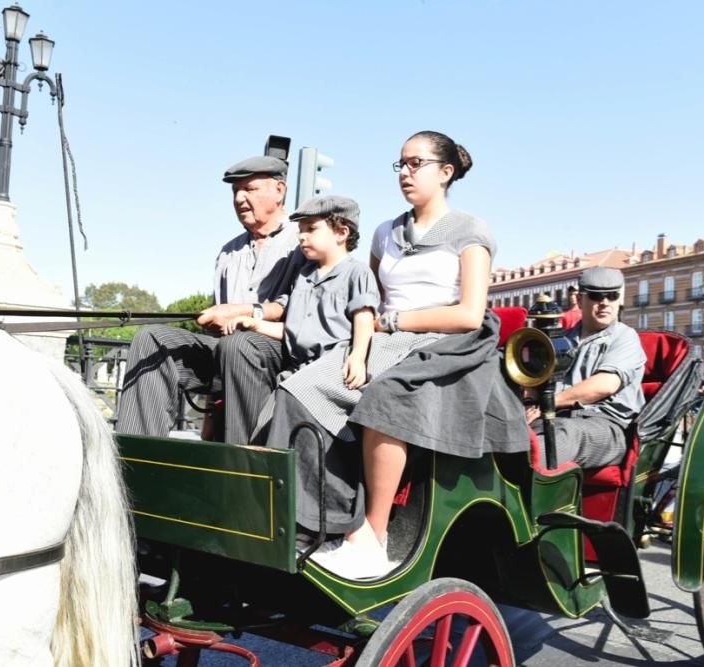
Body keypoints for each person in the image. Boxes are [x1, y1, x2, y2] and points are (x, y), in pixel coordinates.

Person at [268, 131, 528, 578]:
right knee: (298, 388)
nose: (405, 173)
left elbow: (468, 313)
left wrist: (397, 323)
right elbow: (367, 300)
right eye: (401, 164)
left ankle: (374, 535)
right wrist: (357, 345)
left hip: (447, 343)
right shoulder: (386, 232)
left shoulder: (471, 230)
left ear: (445, 173)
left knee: (385, 398)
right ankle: (316, 520)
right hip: (386, 336)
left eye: (416, 164)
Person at [117, 155, 304, 438]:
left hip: (282, 351)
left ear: (280, 190)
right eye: (235, 191)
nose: (240, 198)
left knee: (239, 346)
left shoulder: (303, 239)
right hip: (230, 351)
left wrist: (244, 314)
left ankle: (240, 464)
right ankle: (137, 458)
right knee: (151, 339)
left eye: (250, 189)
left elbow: (304, 309)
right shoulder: (228, 252)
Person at [224, 196, 379, 427]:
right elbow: (294, 330)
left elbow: (364, 319)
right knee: (264, 421)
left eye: (311, 229)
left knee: (292, 406)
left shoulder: (357, 273)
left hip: (332, 367)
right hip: (296, 370)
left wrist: (358, 357)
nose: (301, 236)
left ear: (341, 233)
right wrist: (254, 323)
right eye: (300, 230)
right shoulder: (303, 276)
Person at [524, 267, 647, 468]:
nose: (605, 303)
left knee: (565, 433)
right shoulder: (563, 338)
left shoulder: (625, 336)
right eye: (596, 296)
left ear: (619, 301)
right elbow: (534, 375)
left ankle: (515, 478)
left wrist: (549, 404)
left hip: (607, 425)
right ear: (580, 300)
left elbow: (605, 385)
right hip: (556, 418)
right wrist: (529, 401)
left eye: (612, 296)